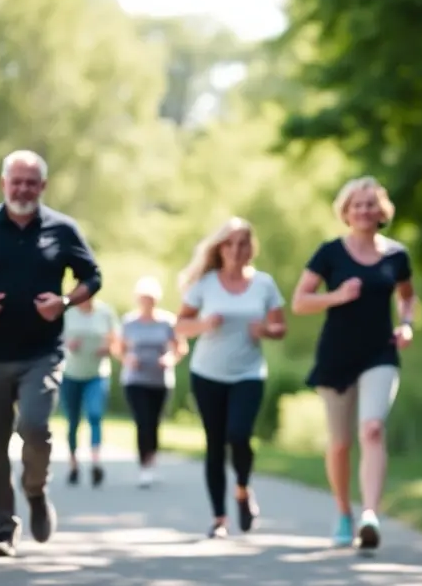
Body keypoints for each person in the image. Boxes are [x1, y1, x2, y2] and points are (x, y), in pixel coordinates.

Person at [0, 149, 102, 559]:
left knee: (34, 427)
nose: (23, 189)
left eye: (31, 182)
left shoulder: (62, 229)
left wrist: (65, 302)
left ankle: (35, 491)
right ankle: (3, 528)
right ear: (3, 183)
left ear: (42, 186)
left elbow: (92, 276)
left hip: (41, 353)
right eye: (17, 181)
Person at [290, 176, 417, 550]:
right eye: (356, 205)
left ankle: (370, 515)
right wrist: (337, 297)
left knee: (373, 429)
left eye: (370, 204)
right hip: (337, 355)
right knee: (340, 443)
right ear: (346, 213)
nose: (364, 210)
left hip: (380, 353)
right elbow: (299, 302)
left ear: (382, 211)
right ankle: (344, 511)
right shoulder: (329, 253)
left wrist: (407, 324)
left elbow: (407, 296)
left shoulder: (397, 256)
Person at [176, 217, 287, 539]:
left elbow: (281, 327)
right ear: (220, 248)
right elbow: (180, 325)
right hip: (207, 373)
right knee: (214, 444)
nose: (236, 250)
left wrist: (265, 330)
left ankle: (242, 489)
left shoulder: (264, 284)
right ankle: (219, 519)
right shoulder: (205, 284)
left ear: (251, 248)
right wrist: (203, 324)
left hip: (248, 373)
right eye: (230, 243)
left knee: (239, 435)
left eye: (243, 243)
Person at [115, 276, 180, 488]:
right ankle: (144, 466)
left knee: (154, 423)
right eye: (143, 298)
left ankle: (152, 460)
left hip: (160, 380)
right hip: (135, 379)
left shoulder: (167, 321)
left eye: (150, 299)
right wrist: (128, 359)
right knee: (142, 421)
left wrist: (169, 359)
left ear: (156, 300)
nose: (147, 302)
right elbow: (118, 348)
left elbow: (179, 348)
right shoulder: (129, 322)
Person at [60, 294, 120, 487]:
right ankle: (73, 464)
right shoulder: (68, 313)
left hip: (97, 374)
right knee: (73, 421)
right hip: (71, 374)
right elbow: (56, 340)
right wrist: (68, 344)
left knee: (95, 415)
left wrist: (107, 347)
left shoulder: (105, 312)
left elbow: (117, 341)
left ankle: (95, 462)